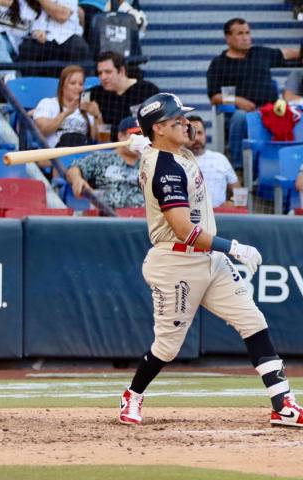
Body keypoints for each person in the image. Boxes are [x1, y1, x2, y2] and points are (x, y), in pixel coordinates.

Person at [118, 92, 303, 428]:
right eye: (177, 120)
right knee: (168, 347)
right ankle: (133, 395)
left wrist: (144, 145)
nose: (186, 123)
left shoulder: (169, 153)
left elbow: (156, 151)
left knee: (253, 321)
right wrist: (233, 247)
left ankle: (283, 405)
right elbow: (184, 229)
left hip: (208, 261)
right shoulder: (165, 170)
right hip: (176, 263)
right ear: (159, 128)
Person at [206, 18, 300, 168]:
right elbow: (214, 97)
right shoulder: (219, 63)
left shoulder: (260, 53)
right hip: (239, 112)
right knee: (240, 117)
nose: (245, 37)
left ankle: (288, 167)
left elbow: (288, 53)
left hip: (272, 109)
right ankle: (239, 169)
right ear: (228, 38)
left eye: (248, 32)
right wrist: (237, 101)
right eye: (240, 33)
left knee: (295, 114)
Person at [65, 116, 144, 208]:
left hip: (142, 219)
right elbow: (74, 168)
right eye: (136, 134)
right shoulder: (102, 157)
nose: (140, 139)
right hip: (106, 216)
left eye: (143, 135)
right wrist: (77, 179)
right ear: (120, 136)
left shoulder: (150, 163)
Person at [88, 51, 159, 140]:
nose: (103, 77)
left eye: (108, 72)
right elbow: (101, 139)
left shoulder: (148, 90)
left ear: (121, 71)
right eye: (100, 73)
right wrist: (97, 116)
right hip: (112, 148)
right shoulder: (96, 94)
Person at [17, 0, 91, 77]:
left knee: (78, 48)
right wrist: (35, 32)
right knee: (26, 49)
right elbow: (27, 17)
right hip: (41, 39)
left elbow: (62, 15)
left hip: (67, 36)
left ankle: (87, 87)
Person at [33, 64, 99, 148]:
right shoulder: (48, 103)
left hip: (82, 154)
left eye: (81, 84)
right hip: (55, 155)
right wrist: (66, 113)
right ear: (62, 87)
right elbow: (42, 130)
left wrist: (97, 116)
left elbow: (97, 139)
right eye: (73, 83)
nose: (78, 87)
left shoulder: (86, 109)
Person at [185, 115, 241, 208]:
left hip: (220, 218)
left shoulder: (220, 159)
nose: (197, 138)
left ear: (205, 135)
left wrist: (231, 202)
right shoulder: (177, 161)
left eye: (200, 133)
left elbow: (238, 192)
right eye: (191, 134)